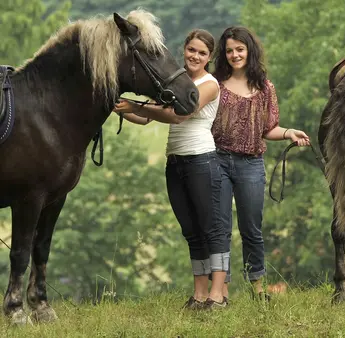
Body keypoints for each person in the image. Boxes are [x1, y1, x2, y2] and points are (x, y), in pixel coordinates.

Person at [114, 29, 229, 309]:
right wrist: (118, 106)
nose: (195, 56)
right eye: (192, 50)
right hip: (175, 162)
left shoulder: (209, 84)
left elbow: (179, 115)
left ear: (209, 57)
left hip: (201, 158)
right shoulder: (175, 83)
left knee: (211, 228)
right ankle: (199, 293)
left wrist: (136, 104)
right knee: (191, 230)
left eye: (202, 53)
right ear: (184, 50)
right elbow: (144, 118)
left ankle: (218, 294)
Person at [211, 26, 310, 301]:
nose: (234, 54)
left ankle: (258, 288)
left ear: (249, 50)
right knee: (220, 228)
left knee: (251, 228)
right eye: (229, 50)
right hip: (217, 160)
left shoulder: (265, 87)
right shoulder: (214, 84)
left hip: (251, 164)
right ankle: (221, 291)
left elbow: (268, 129)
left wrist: (289, 132)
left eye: (240, 49)